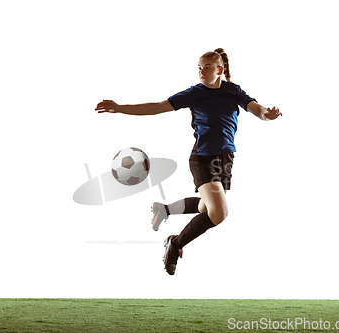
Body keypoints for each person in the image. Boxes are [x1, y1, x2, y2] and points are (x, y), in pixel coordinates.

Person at [95, 48, 282, 275]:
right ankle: (175, 245)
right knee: (219, 212)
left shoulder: (233, 91)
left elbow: (255, 107)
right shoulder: (195, 93)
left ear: (220, 70)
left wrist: (265, 114)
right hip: (202, 158)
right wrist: (120, 108)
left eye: (208, 67)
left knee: (207, 208)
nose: (202, 72)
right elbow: (157, 107)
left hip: (225, 159)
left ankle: (165, 209)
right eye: (200, 68)